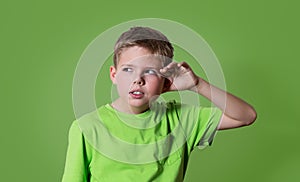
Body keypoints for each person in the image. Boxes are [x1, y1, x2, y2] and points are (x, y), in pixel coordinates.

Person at [62, 27, 257, 182]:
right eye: (128, 69)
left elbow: (246, 116)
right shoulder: (86, 128)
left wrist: (198, 85)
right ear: (114, 74)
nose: (138, 79)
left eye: (150, 72)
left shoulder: (181, 119)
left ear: (165, 81)